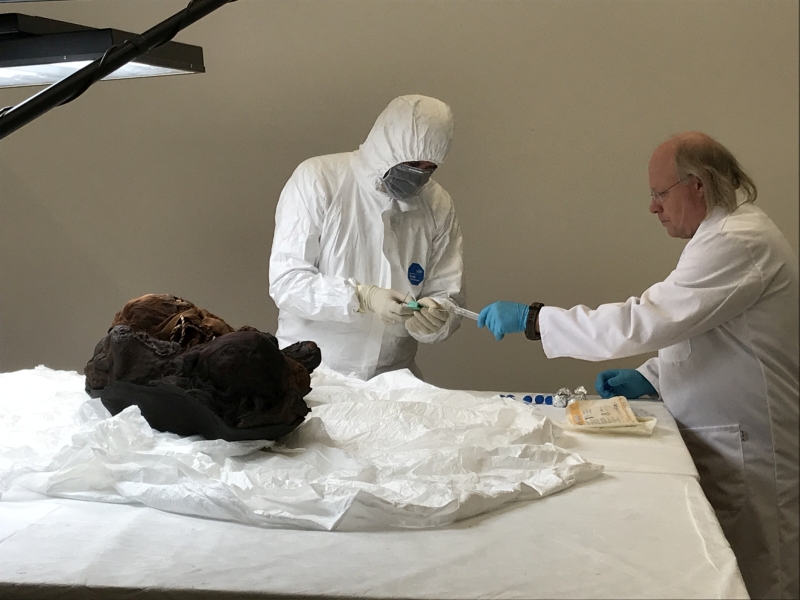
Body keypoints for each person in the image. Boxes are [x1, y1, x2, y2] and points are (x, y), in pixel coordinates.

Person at [477, 131, 798, 599]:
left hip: (750, 449)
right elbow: (703, 329)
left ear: (698, 185)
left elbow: (645, 320)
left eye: (659, 193)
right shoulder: (720, 237)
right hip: (726, 440)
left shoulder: (738, 241)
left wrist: (535, 319)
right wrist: (651, 377)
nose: (652, 207)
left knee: (761, 578)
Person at [269, 95, 465, 381]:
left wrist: (437, 318)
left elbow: (447, 293)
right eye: (412, 163)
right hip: (314, 375)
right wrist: (361, 297)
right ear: (385, 148)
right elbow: (288, 283)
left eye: (429, 168)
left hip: (394, 378)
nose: (419, 176)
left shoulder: (437, 203)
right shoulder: (319, 179)